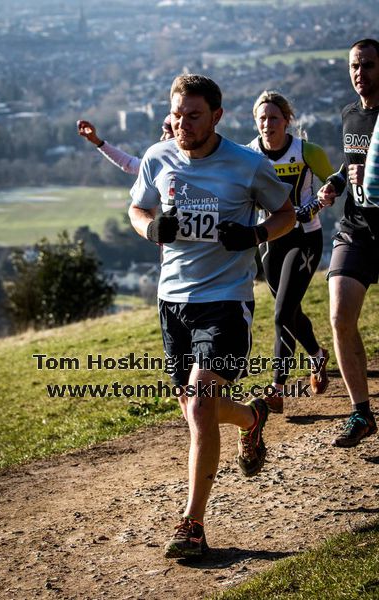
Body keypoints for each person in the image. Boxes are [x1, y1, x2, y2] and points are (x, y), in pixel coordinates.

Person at [128, 74, 295, 559]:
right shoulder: (158, 157)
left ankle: (192, 525)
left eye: (193, 116)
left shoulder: (247, 165)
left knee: (200, 404)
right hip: (172, 301)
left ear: (217, 116)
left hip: (226, 298)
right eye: (177, 115)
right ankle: (252, 416)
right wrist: (149, 227)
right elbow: (137, 210)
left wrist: (257, 234)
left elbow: (286, 214)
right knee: (193, 408)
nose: (182, 124)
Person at [248, 91, 335, 414]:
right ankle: (316, 355)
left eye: (274, 118)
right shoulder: (249, 155)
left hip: (304, 239)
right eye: (262, 118)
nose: (267, 124)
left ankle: (277, 387)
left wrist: (327, 194)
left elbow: (337, 183)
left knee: (282, 314)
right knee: (291, 311)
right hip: (270, 242)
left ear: (287, 121)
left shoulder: (307, 151)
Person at [317, 38, 379, 448]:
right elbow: (350, 163)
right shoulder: (350, 115)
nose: (360, 73)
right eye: (355, 66)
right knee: (339, 315)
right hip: (356, 229)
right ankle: (361, 412)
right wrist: (337, 183)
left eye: (369, 65)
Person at [77, 114, 174, 175]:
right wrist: (97, 141)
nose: (162, 138)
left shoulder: (164, 167)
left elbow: (128, 164)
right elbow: (128, 163)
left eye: (166, 133)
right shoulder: (159, 165)